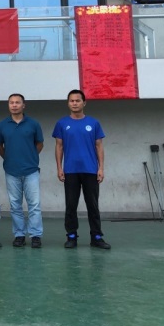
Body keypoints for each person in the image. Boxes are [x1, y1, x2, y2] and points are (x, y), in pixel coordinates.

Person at [53, 89, 110, 249]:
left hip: (90, 170)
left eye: (77, 100)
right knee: (71, 205)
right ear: (68, 103)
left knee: (93, 205)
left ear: (84, 103)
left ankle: (96, 237)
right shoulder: (62, 123)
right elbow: (59, 146)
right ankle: (71, 236)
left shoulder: (93, 123)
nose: (74, 103)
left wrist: (101, 168)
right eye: (71, 101)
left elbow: (99, 146)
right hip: (70, 171)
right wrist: (59, 168)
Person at [0, 93, 44, 248]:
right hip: (11, 171)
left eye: (17, 102)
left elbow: (39, 144)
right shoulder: (2, 125)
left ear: (23, 105)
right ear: (8, 105)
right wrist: (8, 158)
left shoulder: (33, 124)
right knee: (15, 205)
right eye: (11, 102)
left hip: (31, 170)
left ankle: (35, 235)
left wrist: (30, 157)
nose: (14, 105)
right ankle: (19, 235)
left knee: (34, 204)